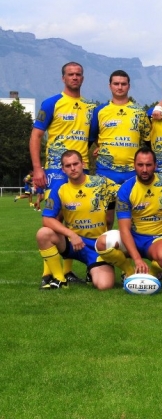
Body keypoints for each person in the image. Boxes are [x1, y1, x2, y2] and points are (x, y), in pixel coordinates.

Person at [29, 61, 96, 286]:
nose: (75, 77)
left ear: (83, 78)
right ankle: (48, 274)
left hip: (82, 168)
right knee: (52, 221)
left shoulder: (90, 107)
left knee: (74, 218)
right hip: (57, 171)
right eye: (70, 74)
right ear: (63, 78)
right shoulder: (51, 103)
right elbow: (36, 136)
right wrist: (38, 169)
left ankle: (66, 272)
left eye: (78, 74)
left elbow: (93, 136)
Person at [96, 147, 162, 282]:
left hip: (156, 239)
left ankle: (151, 275)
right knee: (102, 243)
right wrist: (137, 259)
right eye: (140, 165)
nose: (144, 169)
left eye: (148, 165)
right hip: (132, 237)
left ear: (155, 165)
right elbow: (124, 229)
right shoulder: (126, 189)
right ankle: (129, 271)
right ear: (134, 166)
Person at [36, 150, 118, 290]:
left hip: (98, 245)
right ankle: (59, 279)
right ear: (63, 169)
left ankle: (92, 271)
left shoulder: (101, 183)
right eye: (68, 166)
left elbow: (126, 194)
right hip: (73, 244)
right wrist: (71, 234)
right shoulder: (60, 189)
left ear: (83, 164)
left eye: (75, 164)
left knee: (104, 285)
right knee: (43, 233)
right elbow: (47, 219)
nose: (72, 168)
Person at [90, 70, 151, 185]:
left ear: (129, 86)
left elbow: (149, 141)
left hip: (132, 171)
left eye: (123, 84)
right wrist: (101, 146)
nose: (120, 87)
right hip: (105, 169)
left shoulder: (139, 112)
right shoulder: (100, 111)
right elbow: (91, 137)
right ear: (110, 86)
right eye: (116, 84)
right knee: (106, 203)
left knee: (133, 203)